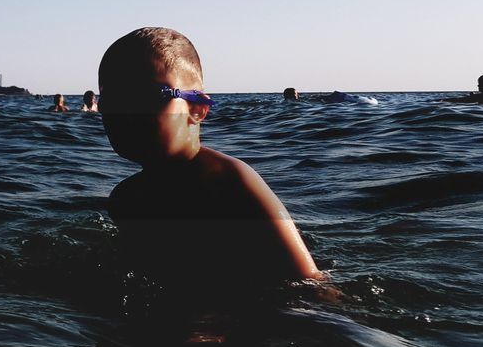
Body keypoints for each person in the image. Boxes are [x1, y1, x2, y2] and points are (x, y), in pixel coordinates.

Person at [99, 27, 322, 284]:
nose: (125, 114)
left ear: (198, 108)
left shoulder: (231, 184)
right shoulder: (126, 198)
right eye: (112, 101)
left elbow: (310, 285)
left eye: (145, 98)